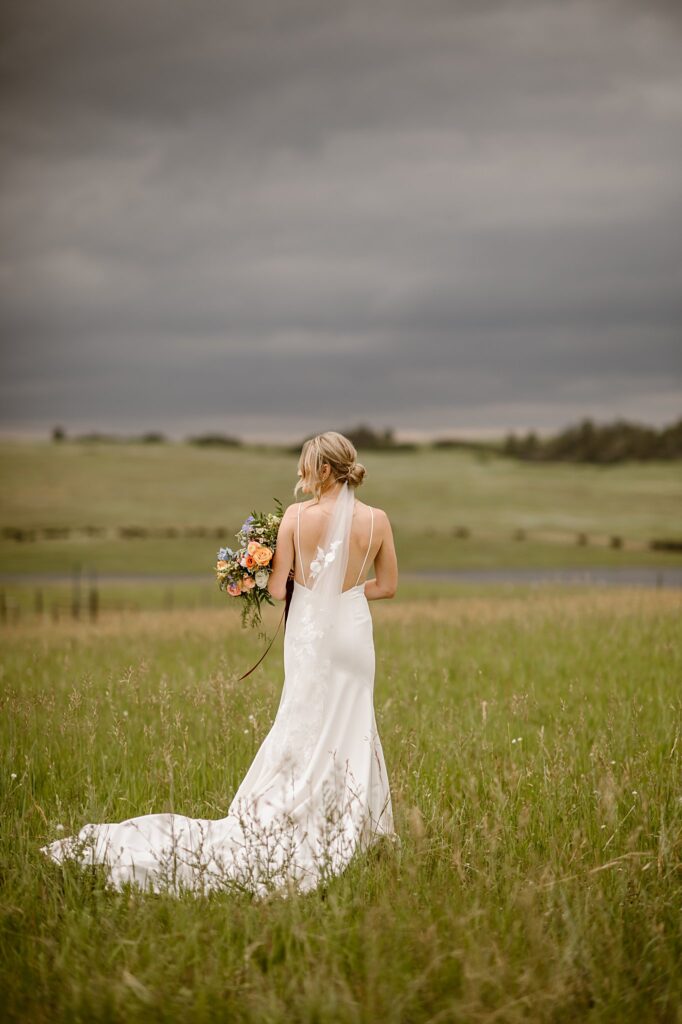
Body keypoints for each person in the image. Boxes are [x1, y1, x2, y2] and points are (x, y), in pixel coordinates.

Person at [40, 431, 400, 898]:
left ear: (325, 469)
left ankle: (295, 811)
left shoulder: (296, 517)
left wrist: (309, 589)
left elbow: (277, 589)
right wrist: (345, 593)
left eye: (308, 466)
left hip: (312, 637)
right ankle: (357, 826)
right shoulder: (378, 519)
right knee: (353, 724)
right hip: (354, 636)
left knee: (303, 719)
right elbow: (387, 586)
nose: (302, 475)